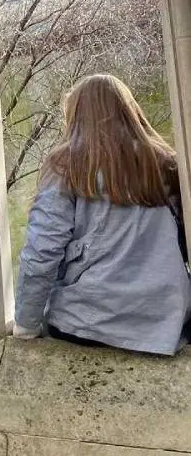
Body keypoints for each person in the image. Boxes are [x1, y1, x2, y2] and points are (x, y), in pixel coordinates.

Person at [15, 74, 191, 355]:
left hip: (90, 317)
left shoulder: (67, 163)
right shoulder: (167, 163)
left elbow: (42, 252)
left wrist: (26, 324)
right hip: (164, 320)